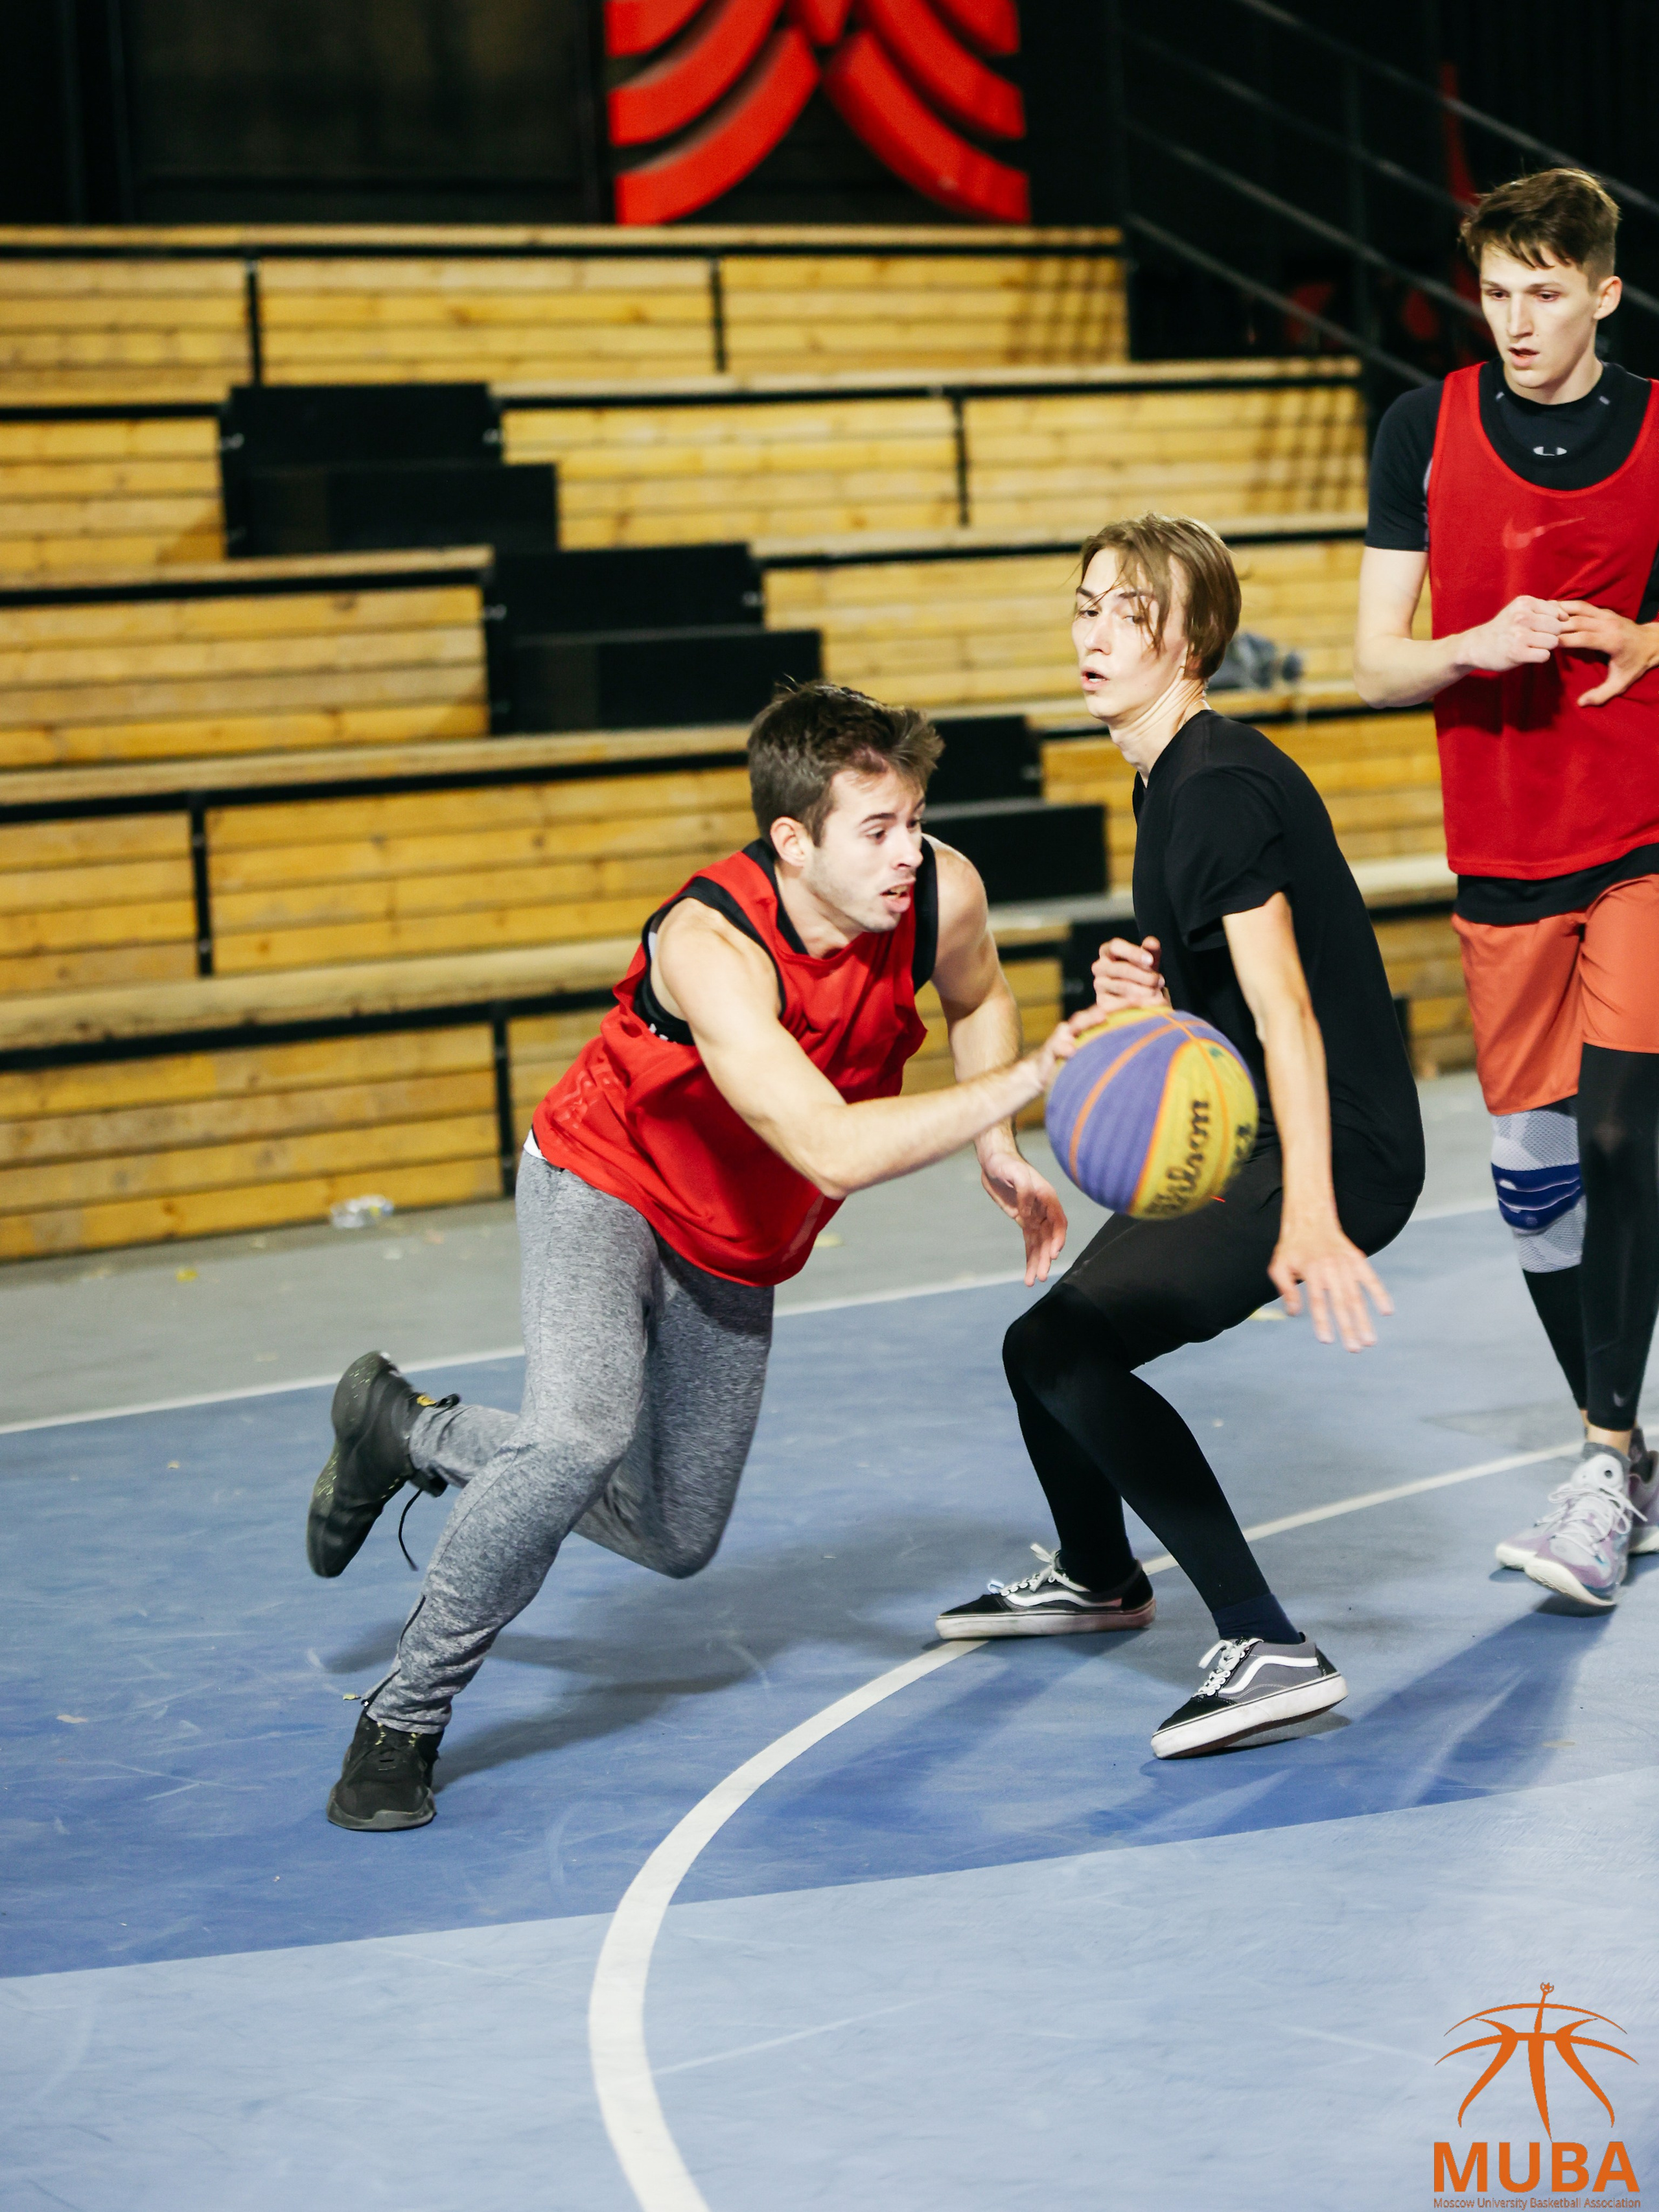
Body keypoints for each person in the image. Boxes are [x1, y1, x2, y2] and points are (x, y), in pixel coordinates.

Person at [307, 680, 1084, 1830]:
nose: (909, 851)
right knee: (575, 1437)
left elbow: (982, 992)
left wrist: (997, 1138)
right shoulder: (710, 944)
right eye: (876, 830)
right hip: (602, 1182)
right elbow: (828, 1144)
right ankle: (403, 1717)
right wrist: (1028, 1078)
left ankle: (407, 1428)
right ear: (792, 839)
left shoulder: (939, 892)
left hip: (735, 1235)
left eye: (915, 818)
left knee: (675, 1535)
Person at [938, 513, 1425, 1758]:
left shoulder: (1206, 791)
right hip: (1280, 1131)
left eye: (1128, 613)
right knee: (1039, 1344)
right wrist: (1164, 1011)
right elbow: (1242, 1007)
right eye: (1086, 605)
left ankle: (1266, 1642)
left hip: (1336, 1148)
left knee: (1064, 1349)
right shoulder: (1174, 777)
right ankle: (1100, 1574)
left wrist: (1310, 1209)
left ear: (1194, 638)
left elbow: (1290, 1013)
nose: (1095, 633)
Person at [1354, 167, 1659, 1610]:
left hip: (1643, 833)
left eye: (1546, 292)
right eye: (1494, 291)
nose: (1517, 319)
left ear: (1604, 291)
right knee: (1535, 1187)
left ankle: (1597, 1461)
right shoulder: (1420, 427)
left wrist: (1650, 644)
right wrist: (1470, 644)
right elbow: (1373, 662)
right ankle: (1627, 1452)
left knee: (1616, 1132)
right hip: (1499, 852)